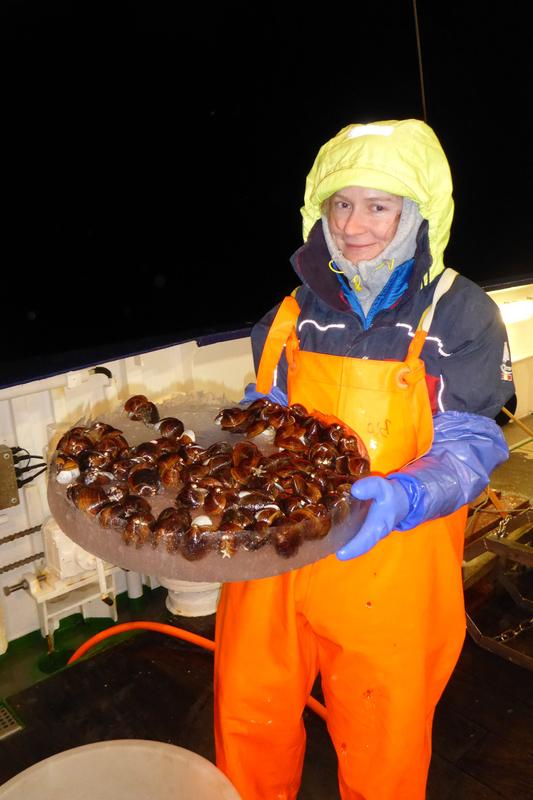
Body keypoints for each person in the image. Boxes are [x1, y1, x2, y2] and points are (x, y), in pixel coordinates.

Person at [213, 119, 515, 800]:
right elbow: (261, 424)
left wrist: (406, 495)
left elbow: (471, 443)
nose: (353, 225)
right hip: (276, 556)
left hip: (390, 558)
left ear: (418, 213)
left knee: (382, 736)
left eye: (378, 205)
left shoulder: (458, 314)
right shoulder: (289, 313)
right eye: (339, 203)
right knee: (247, 711)